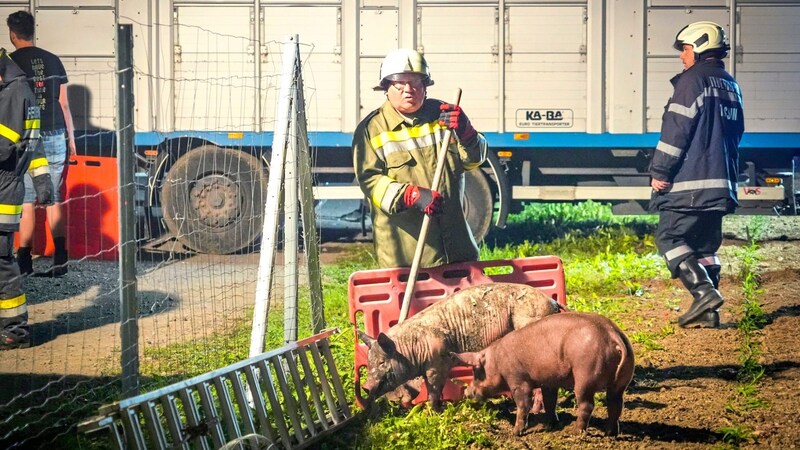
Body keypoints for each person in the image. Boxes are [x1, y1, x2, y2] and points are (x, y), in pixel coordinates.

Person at [353, 48, 488, 269]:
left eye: (416, 82)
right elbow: (370, 182)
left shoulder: (443, 114)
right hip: (409, 259)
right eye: (400, 83)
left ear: (425, 86)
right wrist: (410, 195)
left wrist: (467, 132)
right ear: (386, 87)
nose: (409, 90)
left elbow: (474, 161)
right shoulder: (371, 130)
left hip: (458, 253)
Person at [649, 21, 744, 329]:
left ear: (700, 48)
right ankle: (708, 313)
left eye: (685, 49)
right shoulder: (730, 83)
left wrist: (660, 171)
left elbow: (676, 131)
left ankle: (704, 293)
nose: (682, 56)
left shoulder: (692, 81)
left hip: (690, 184)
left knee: (670, 237)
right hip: (720, 184)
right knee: (704, 248)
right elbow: (736, 132)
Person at [7, 10, 76, 277]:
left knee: (26, 199)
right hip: (56, 133)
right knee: (54, 197)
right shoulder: (53, 60)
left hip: (25, 137)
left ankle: (24, 262)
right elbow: (64, 104)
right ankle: (60, 261)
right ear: (33, 31)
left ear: (13, 34)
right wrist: (72, 139)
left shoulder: (9, 63)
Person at [0, 49, 52, 349]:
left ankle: (15, 332)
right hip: (8, 189)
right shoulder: (20, 91)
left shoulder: (12, 94)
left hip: (3, 192)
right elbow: (35, 144)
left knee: (2, 264)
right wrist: (42, 181)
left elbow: (3, 147)